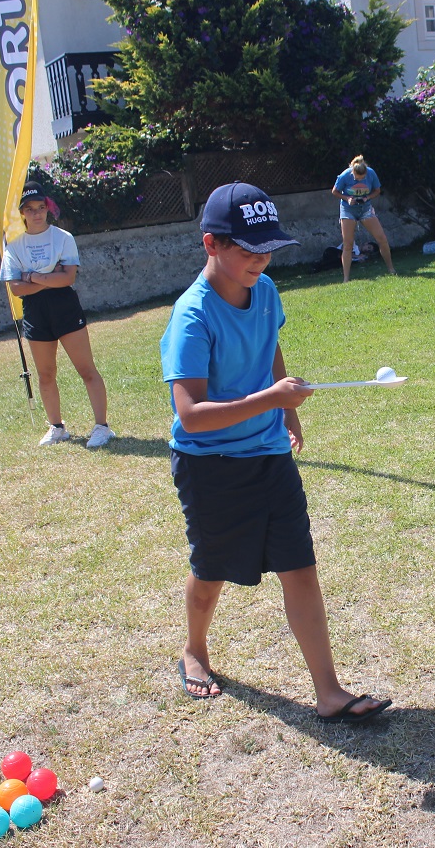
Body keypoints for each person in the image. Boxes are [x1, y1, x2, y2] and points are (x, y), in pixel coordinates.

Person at [160, 181, 391, 723]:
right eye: (248, 249)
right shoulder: (191, 316)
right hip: (210, 465)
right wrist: (271, 398)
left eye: (267, 248)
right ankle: (194, 650)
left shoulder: (264, 290)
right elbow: (190, 412)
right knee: (211, 568)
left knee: (300, 567)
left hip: (269, 455)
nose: (260, 260)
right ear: (211, 244)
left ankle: (329, 692)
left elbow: (272, 346)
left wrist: (286, 410)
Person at [0, 181, 113, 448]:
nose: (37, 214)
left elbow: (68, 278)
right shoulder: (14, 246)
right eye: (30, 209)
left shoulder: (63, 238)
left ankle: (102, 427)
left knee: (86, 369)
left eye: (41, 207)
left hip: (64, 305)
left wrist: (34, 277)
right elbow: (16, 288)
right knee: (46, 373)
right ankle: (57, 426)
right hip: (35, 310)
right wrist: (50, 276)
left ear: (48, 209)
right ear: (23, 213)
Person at [331, 155, 395, 282]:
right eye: (356, 178)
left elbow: (377, 190)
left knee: (381, 238)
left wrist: (368, 197)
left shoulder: (371, 173)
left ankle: (391, 269)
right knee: (348, 244)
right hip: (348, 210)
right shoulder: (344, 175)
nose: (359, 179)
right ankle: (346, 278)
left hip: (365, 208)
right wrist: (347, 198)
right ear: (352, 172)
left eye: (362, 178)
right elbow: (335, 191)